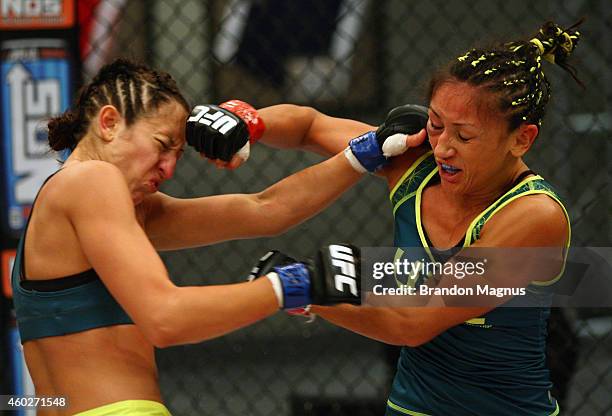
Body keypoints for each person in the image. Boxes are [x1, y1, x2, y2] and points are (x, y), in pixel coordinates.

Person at [10, 59, 428, 415]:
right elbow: (165, 317)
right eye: (161, 146)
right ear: (108, 123)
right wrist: (292, 285)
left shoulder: (98, 203)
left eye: (178, 155)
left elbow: (266, 209)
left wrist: (364, 151)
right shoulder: (92, 181)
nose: (169, 169)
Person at [223, 21, 581, 415]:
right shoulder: (416, 163)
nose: (443, 148)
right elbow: (310, 127)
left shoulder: (534, 215)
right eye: (436, 124)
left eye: (464, 136)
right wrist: (245, 120)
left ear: (521, 139)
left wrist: (300, 290)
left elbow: (413, 321)